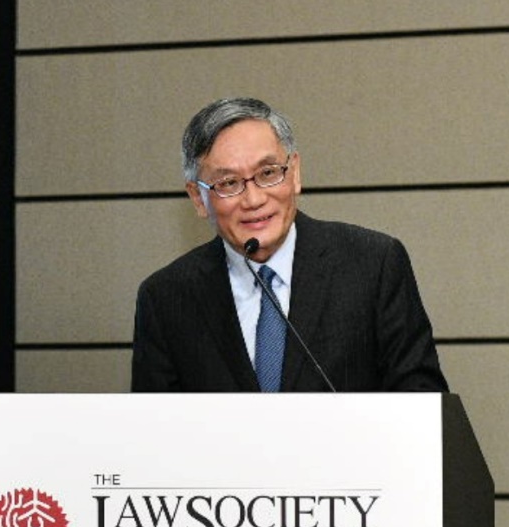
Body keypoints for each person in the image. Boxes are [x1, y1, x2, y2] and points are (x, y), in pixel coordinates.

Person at [131, 97, 448, 393]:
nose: (254, 199)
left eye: (268, 173)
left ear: (294, 172)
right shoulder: (166, 299)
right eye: (229, 183)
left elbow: (425, 411)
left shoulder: (373, 265)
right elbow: (154, 436)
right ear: (198, 198)